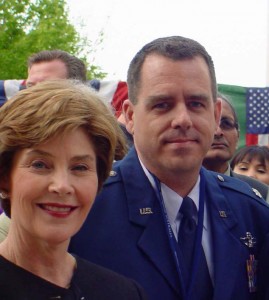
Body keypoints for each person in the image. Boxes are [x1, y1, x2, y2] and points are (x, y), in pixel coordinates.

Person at [69, 36, 269, 300]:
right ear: (130, 116)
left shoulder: (251, 213)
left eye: (196, 103)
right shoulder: (84, 208)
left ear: (215, 114)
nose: (182, 120)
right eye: (162, 105)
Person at [0, 80, 147, 299]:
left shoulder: (123, 293)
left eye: (80, 167)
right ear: (4, 177)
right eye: (40, 165)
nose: (61, 186)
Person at [203, 93, 269, 200]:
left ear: (237, 136)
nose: (218, 132)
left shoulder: (261, 193)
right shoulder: (170, 188)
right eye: (210, 123)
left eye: (226, 124)